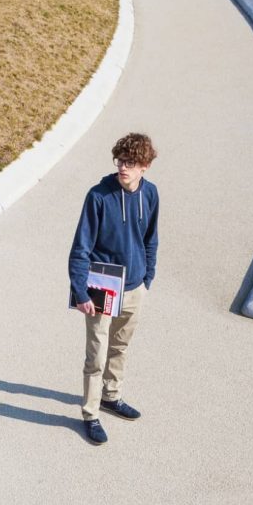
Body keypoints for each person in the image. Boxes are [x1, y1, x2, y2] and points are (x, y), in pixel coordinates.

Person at [67, 132, 160, 445]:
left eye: (130, 163)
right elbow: (81, 247)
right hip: (102, 287)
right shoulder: (98, 196)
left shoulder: (151, 195)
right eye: (120, 161)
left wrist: (147, 278)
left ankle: (112, 397)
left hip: (135, 287)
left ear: (144, 166)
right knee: (96, 354)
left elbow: (150, 239)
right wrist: (80, 291)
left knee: (120, 347)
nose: (123, 168)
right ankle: (90, 414)